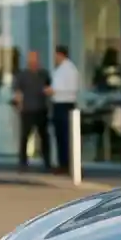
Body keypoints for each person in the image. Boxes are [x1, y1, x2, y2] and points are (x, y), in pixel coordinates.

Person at [13, 50, 52, 171]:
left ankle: (47, 162)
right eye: (31, 59)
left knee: (44, 136)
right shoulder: (22, 75)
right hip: (27, 110)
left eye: (35, 59)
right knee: (25, 136)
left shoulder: (44, 74)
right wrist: (19, 105)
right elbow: (18, 92)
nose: (33, 62)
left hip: (41, 109)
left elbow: (49, 88)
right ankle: (23, 162)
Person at [50, 45, 79, 174]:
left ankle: (68, 164)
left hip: (65, 104)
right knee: (60, 136)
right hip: (58, 103)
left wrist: (54, 90)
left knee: (66, 136)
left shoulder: (69, 69)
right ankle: (62, 163)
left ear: (61, 54)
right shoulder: (60, 69)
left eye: (56, 55)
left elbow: (71, 87)